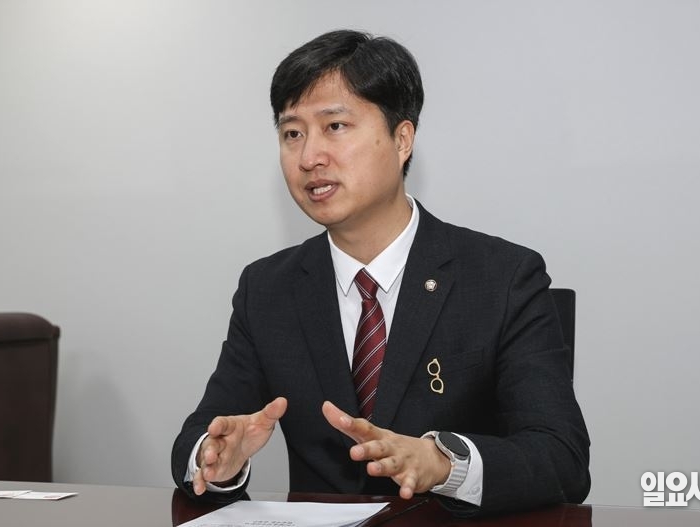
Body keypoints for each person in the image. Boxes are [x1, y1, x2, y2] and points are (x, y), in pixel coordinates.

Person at [171, 29, 590, 516]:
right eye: (292, 134)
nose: (309, 158)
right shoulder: (267, 289)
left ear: (402, 138)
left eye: (335, 126)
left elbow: (562, 458)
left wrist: (444, 464)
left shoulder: (503, 278)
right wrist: (215, 457)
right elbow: (203, 434)